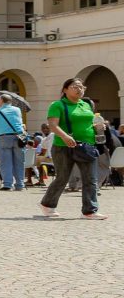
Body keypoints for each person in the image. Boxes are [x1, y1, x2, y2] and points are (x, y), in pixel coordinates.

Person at [39, 78, 108, 220]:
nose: (79, 89)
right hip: (63, 146)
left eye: (82, 87)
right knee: (62, 177)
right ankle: (47, 204)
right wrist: (65, 136)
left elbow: (89, 123)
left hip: (87, 146)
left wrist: (98, 128)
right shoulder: (58, 105)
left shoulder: (86, 105)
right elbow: (52, 125)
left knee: (90, 178)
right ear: (65, 90)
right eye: (75, 86)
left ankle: (90, 211)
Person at [0, 93, 29, 191]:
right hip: (19, 138)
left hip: (3, 138)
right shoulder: (17, 110)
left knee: (5, 162)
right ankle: (20, 184)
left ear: (1, 101)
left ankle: (8, 184)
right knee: (19, 162)